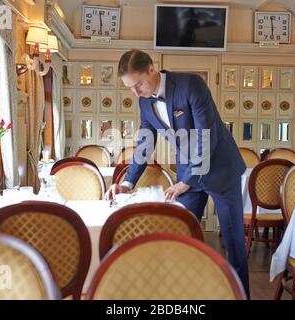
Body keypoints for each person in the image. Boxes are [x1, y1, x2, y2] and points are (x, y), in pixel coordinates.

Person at [104, 49, 249, 296]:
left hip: (220, 170)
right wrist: (127, 183)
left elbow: (207, 136)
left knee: (233, 241)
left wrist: (187, 181)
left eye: (138, 84)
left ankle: (240, 295)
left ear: (152, 68)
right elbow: (145, 142)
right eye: (130, 87)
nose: (136, 92)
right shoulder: (144, 101)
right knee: (178, 236)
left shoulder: (191, 84)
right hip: (187, 173)